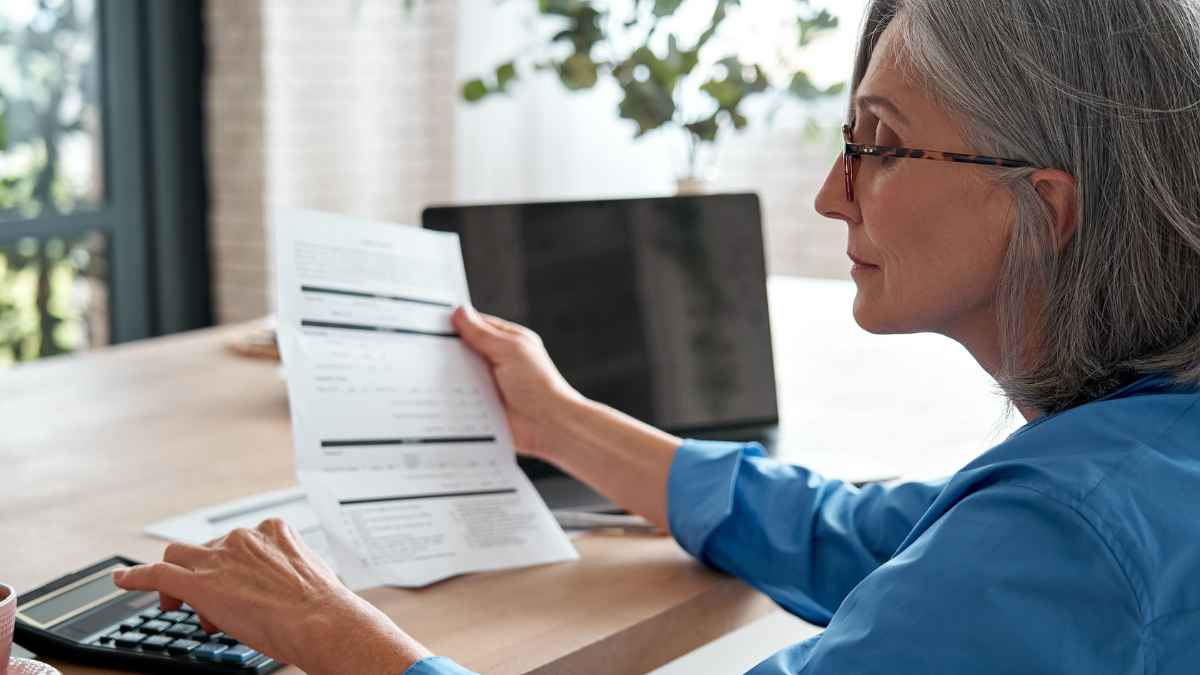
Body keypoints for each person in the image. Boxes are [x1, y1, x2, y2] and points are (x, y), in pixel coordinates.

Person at [113, 0, 1200, 672]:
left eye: (880, 142)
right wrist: (567, 423)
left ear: (1042, 208)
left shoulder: (1066, 534)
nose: (832, 193)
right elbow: (871, 537)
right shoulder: (1134, 464)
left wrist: (335, 635)